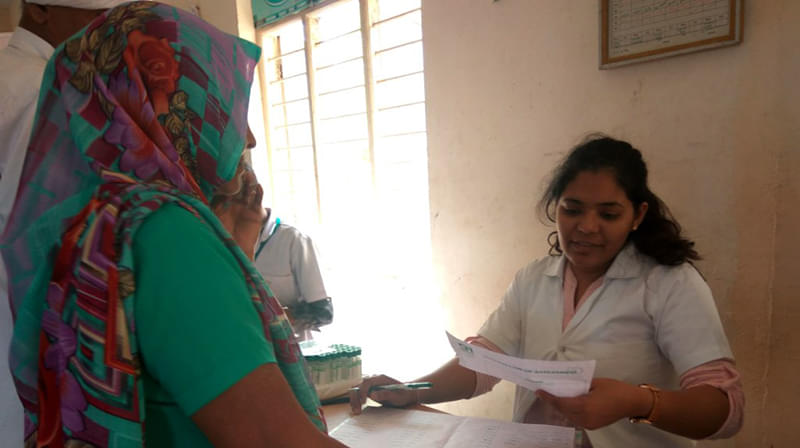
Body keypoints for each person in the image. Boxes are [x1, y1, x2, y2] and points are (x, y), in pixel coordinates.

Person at [0, 3, 348, 447]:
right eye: (224, 102)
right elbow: (273, 439)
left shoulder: (104, 219)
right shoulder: (167, 234)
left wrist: (232, 246)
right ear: (172, 105)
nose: (248, 137)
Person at [352, 136, 744, 447]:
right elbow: (483, 363)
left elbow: (725, 412)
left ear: (637, 215)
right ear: (555, 208)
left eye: (608, 214)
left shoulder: (668, 283)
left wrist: (637, 401)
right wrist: (411, 390)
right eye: (572, 210)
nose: (587, 227)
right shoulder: (534, 279)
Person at [0, 0, 130, 444]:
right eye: (96, 16)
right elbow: (37, 233)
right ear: (37, 9)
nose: (110, 32)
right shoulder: (44, 87)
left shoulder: (10, 65)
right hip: (21, 315)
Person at [253, 210, 333, 340]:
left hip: (291, 345)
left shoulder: (293, 239)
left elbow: (322, 311)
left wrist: (278, 316)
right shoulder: (222, 241)